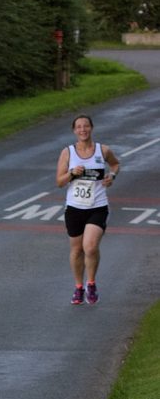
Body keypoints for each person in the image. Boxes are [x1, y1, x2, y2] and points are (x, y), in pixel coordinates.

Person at [56, 114, 119, 305]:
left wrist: (112, 176)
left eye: (86, 126)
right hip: (74, 207)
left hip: (98, 206)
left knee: (90, 247)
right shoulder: (68, 153)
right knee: (76, 250)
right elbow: (59, 182)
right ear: (74, 131)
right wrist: (71, 174)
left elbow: (115, 164)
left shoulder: (103, 150)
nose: (83, 130)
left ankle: (91, 283)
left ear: (91, 128)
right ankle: (78, 287)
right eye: (79, 127)